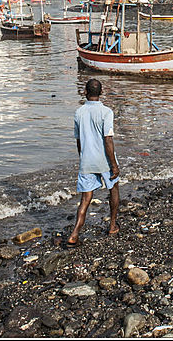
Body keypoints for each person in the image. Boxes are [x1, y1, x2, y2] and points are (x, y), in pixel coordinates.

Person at [66, 78, 119, 247]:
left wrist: (82, 157)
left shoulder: (79, 112)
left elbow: (79, 140)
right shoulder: (106, 112)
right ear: (101, 93)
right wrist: (114, 165)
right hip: (104, 159)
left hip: (87, 160)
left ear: (85, 92)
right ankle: (112, 225)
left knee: (85, 199)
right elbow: (108, 140)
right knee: (113, 189)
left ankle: (74, 234)